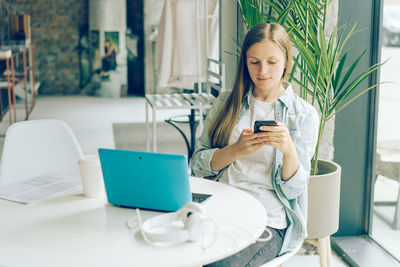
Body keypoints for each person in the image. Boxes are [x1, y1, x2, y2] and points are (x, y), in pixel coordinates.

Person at [191, 23, 319, 266]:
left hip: (268, 218)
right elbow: (197, 165)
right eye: (254, 62)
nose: (262, 71)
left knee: (221, 264)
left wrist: (289, 150)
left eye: (272, 62)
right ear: (245, 62)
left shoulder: (303, 115)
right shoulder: (227, 103)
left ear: (285, 61)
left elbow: (294, 191)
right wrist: (235, 150)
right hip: (220, 205)